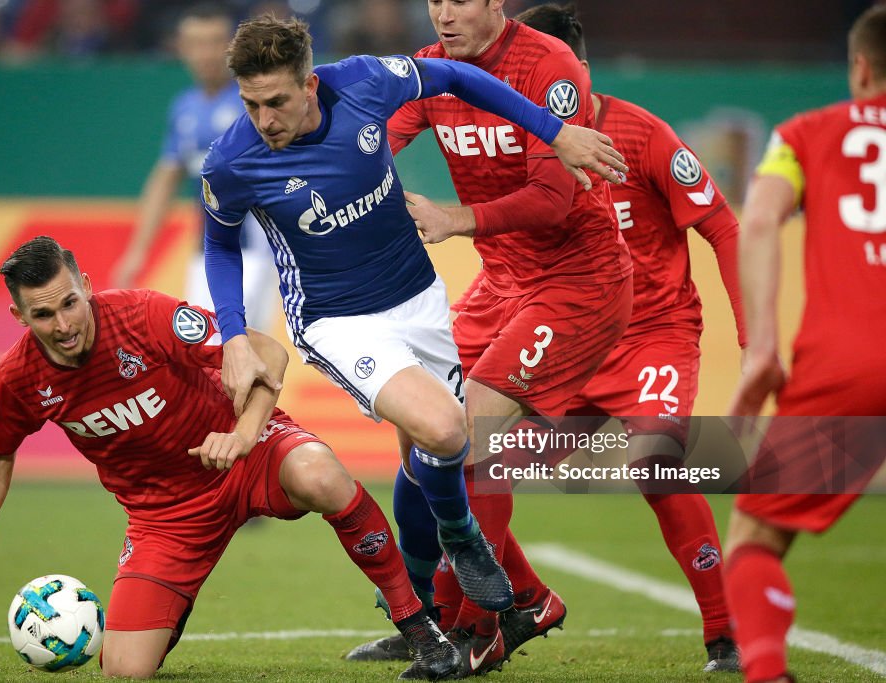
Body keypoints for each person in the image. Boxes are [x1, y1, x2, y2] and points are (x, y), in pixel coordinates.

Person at [200, 15, 627, 679]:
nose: (265, 119)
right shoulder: (233, 160)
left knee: (420, 456)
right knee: (444, 428)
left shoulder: (367, 83)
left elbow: (456, 76)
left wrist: (556, 130)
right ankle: (463, 538)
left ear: (310, 85)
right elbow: (220, 241)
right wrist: (233, 334)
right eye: (252, 104)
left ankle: (425, 615)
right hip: (337, 319)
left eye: (277, 101)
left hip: (419, 300)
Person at [352, 3, 746, 673]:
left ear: (579, 74)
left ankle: (724, 633)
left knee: (654, 460)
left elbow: (722, 226)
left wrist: (752, 334)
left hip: (643, 328)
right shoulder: (444, 79)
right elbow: (376, 138)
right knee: (441, 448)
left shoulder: (638, 133)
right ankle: (480, 610)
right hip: (515, 296)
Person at [0, 236, 460, 681]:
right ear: (20, 317)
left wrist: (243, 433)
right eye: (44, 315)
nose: (65, 324)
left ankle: (417, 625)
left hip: (245, 456)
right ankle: (172, 602)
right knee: (123, 669)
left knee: (322, 473)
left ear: (86, 286)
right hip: (165, 517)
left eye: (71, 303)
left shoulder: (143, 315)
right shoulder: (19, 377)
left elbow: (268, 353)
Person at [343, 1, 634, 675]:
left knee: (475, 438)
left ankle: (476, 629)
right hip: (502, 280)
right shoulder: (428, 68)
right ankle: (489, 608)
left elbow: (555, 197)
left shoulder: (548, 66)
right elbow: (379, 139)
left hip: (577, 279)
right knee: (423, 435)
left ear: (495, 2)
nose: (444, 11)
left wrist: (458, 217)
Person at [724, 6, 886, 682]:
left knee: (754, 539)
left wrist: (763, 342)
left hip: (851, 360)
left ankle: (766, 670)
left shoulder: (805, 133)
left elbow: (758, 218)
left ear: (859, 66)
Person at [112, 3, 280, 333]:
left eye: (215, 41)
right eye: (196, 43)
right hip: (207, 251)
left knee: (237, 346)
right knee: (210, 353)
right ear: (182, 47)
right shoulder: (184, 107)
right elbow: (166, 177)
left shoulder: (254, 100)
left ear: (232, 46)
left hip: (255, 247)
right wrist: (137, 251)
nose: (206, 53)